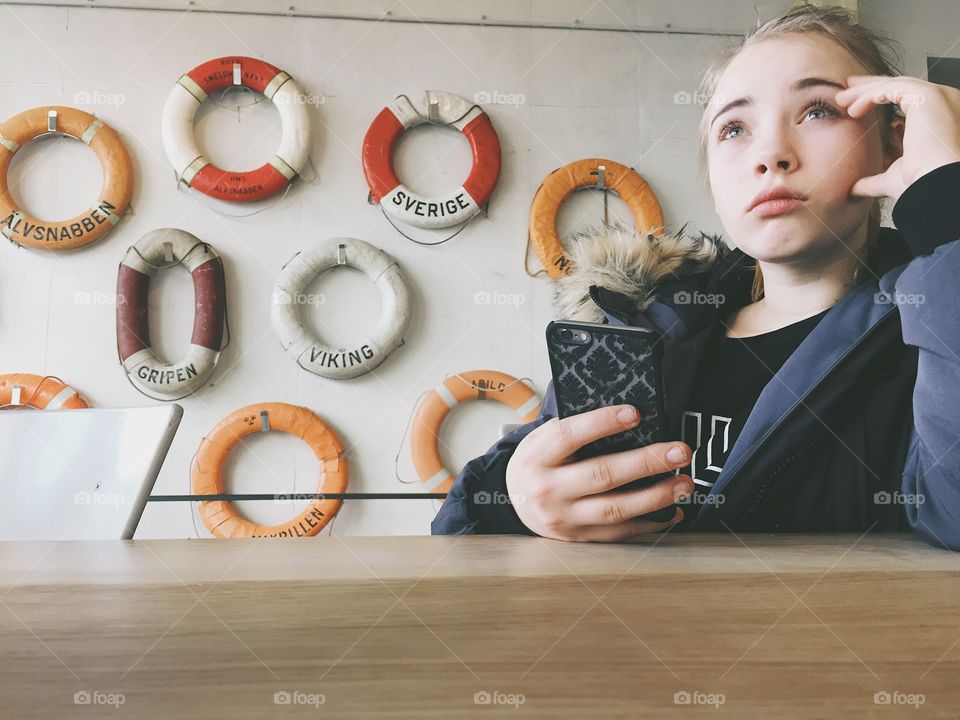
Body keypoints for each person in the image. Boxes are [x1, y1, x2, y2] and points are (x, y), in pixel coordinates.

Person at [432, 4, 960, 549]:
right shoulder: (645, 329)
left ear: (895, 145)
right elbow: (458, 525)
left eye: (818, 110)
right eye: (733, 127)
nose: (770, 154)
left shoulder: (933, 335)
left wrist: (947, 200)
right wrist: (518, 501)